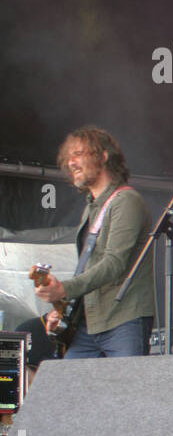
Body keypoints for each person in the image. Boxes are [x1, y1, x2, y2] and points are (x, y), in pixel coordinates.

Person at [32, 127, 155, 358]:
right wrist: (63, 308)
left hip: (124, 320)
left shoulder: (127, 201)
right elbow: (89, 268)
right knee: (70, 388)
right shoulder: (91, 207)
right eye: (68, 158)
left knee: (127, 392)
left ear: (103, 156)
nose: (71, 163)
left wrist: (64, 289)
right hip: (89, 324)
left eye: (78, 154)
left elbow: (113, 263)